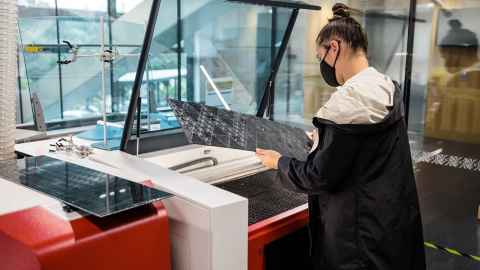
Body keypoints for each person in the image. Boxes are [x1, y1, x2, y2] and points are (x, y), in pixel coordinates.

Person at [256, 3, 426, 270]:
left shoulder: (347, 103)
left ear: (334, 48)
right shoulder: (385, 87)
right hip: (389, 226)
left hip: (358, 240)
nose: (321, 64)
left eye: (319, 56)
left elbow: (317, 176)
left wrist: (279, 162)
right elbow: (367, 150)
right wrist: (323, 141)